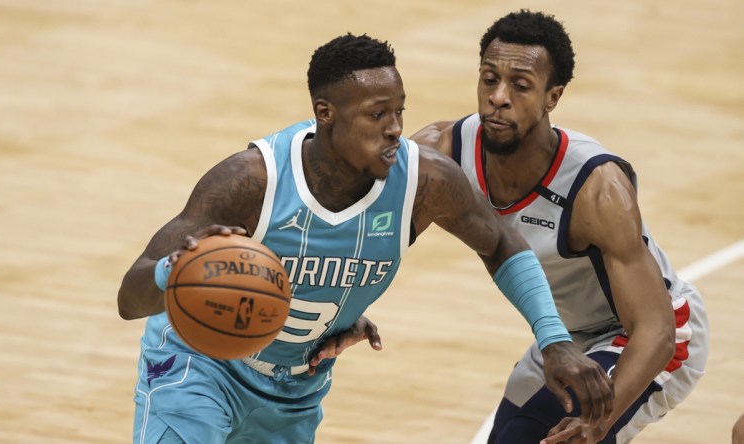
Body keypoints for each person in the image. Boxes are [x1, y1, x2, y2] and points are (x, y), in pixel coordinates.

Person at [117, 32, 614, 444]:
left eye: (399, 111)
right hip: (200, 368)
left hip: (296, 389)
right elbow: (129, 295)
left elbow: (502, 245)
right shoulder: (251, 180)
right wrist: (175, 269)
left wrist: (554, 341)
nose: (397, 129)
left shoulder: (426, 180)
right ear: (326, 113)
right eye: (377, 115)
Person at [411, 9, 709, 443]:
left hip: (648, 332)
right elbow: (378, 240)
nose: (498, 96)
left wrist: (598, 421)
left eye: (520, 85)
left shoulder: (596, 188)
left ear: (553, 96)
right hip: (564, 332)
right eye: (489, 79)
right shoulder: (442, 152)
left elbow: (655, 330)